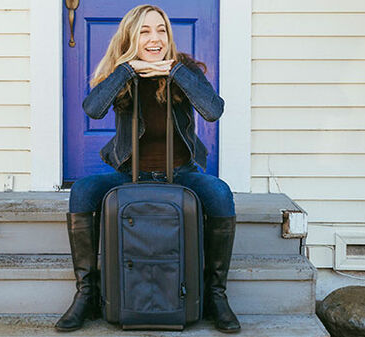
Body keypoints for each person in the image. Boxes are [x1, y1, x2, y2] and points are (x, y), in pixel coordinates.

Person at [55, 4, 240, 333]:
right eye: (144, 31)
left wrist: (174, 72)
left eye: (161, 30)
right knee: (82, 191)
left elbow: (213, 110)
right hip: (130, 174)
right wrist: (129, 70)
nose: (155, 38)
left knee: (220, 194)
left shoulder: (185, 68)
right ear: (131, 37)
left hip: (181, 173)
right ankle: (87, 294)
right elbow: (92, 108)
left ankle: (215, 295)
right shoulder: (121, 73)